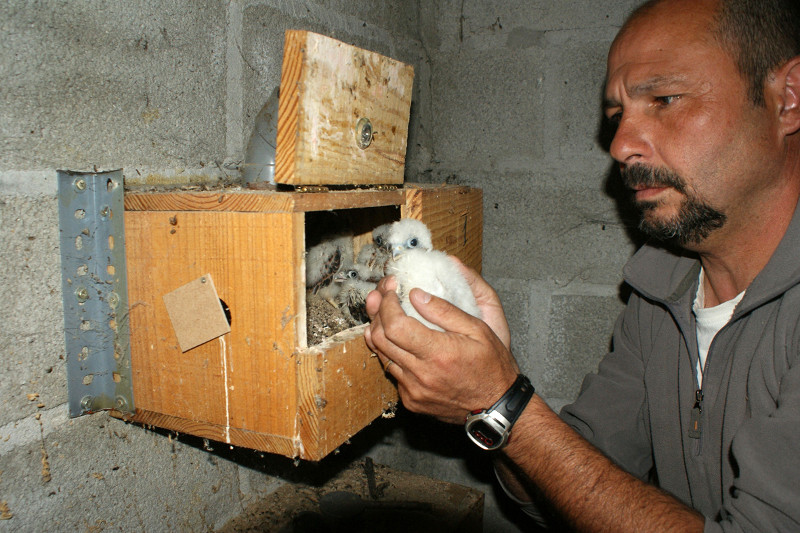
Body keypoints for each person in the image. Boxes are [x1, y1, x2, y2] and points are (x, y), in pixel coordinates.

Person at [364, 0, 800, 530]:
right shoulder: (662, 289)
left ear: (788, 98)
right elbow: (574, 475)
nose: (619, 145)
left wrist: (502, 402)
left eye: (664, 99)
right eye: (617, 117)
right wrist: (496, 388)